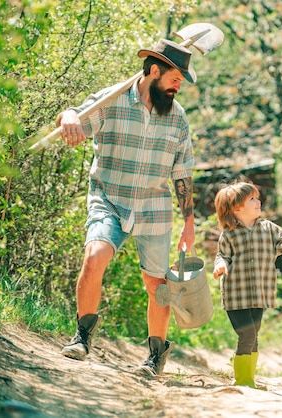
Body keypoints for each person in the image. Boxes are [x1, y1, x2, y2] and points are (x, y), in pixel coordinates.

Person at [56, 38, 198, 377]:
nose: (180, 86)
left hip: (154, 207)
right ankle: (82, 338)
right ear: (153, 71)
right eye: (176, 78)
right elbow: (74, 116)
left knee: (158, 286)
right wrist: (70, 117)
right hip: (109, 198)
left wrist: (189, 222)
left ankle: (154, 357)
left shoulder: (177, 118)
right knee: (95, 257)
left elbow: (182, 173)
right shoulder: (112, 101)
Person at [212, 181, 282, 389]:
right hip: (235, 295)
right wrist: (220, 265)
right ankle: (241, 380)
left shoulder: (269, 228)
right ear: (237, 208)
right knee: (246, 334)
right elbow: (222, 255)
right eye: (252, 199)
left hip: (259, 294)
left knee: (254, 334)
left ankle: (250, 379)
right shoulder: (229, 234)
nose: (259, 201)